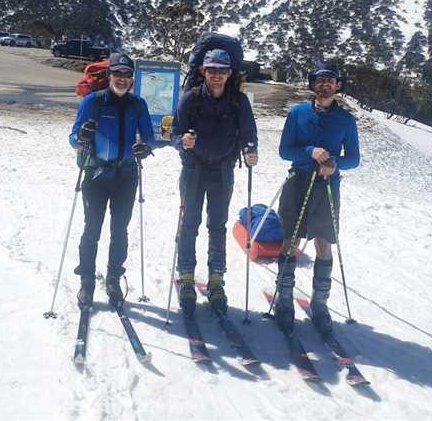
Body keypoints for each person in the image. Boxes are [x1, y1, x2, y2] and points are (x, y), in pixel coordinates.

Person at [273, 62, 360, 334]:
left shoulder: (346, 120)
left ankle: (319, 304)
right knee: (291, 240)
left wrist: (333, 163)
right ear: (312, 84)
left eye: (330, 80)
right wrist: (310, 151)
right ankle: (284, 302)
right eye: (320, 80)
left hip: (327, 187)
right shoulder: (297, 113)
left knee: (324, 243)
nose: (325, 84)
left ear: (338, 85)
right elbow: (285, 151)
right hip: (297, 182)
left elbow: (354, 159)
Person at [170, 48, 258, 316]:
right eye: (212, 70)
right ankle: (186, 276)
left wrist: (250, 150)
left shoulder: (239, 102)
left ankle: (216, 279)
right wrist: (182, 142)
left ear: (229, 73)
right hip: (193, 170)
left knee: (217, 225)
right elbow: (174, 134)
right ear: (203, 71)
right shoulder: (191, 99)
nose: (217, 75)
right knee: (189, 223)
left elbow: (248, 134)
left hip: (222, 171)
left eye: (222, 70)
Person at [68, 53, 155, 308]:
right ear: (109, 76)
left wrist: (145, 148)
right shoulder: (92, 102)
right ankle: (87, 280)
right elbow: (74, 138)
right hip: (96, 175)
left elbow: (149, 138)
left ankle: (114, 278)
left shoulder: (138, 104)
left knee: (120, 231)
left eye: (128, 75)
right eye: (118, 74)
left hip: (126, 176)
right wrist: (81, 136)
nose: (123, 79)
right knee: (91, 230)